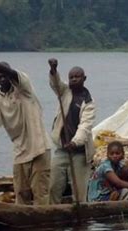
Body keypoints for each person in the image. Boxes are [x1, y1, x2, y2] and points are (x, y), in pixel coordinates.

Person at [0, 54, 51, 205]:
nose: (2, 79)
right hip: (20, 151)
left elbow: (13, 74)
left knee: (41, 193)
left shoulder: (24, 87)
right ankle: (21, 224)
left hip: (39, 147)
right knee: (21, 194)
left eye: (4, 75)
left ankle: (43, 226)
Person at [48, 58, 96, 204]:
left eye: (77, 77)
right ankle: (53, 215)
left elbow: (85, 127)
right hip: (62, 149)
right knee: (53, 187)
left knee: (79, 192)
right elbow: (55, 84)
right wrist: (53, 70)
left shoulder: (88, 102)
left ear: (84, 78)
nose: (74, 79)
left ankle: (80, 221)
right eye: (71, 77)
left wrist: (74, 143)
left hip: (79, 153)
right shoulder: (64, 92)